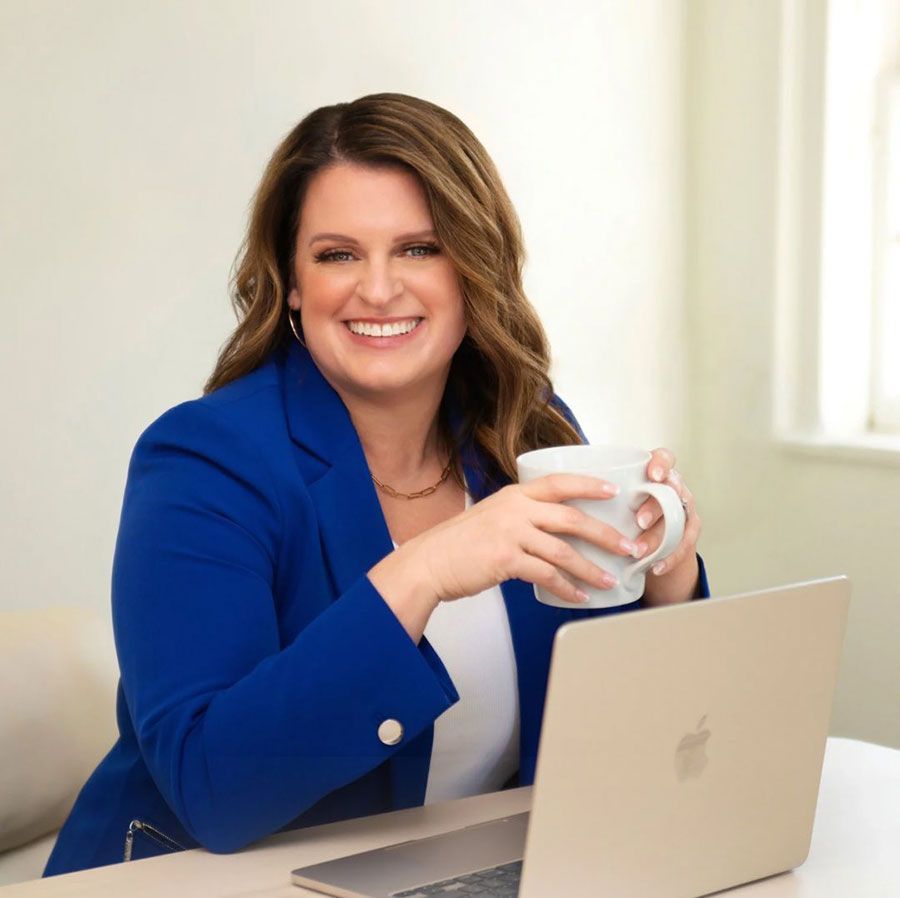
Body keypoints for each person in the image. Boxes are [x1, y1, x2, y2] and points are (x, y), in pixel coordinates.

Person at [44, 92, 708, 877]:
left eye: (420, 248)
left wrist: (665, 571)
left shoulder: (528, 435)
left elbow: (629, 733)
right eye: (337, 255)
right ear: (291, 281)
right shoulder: (204, 460)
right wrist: (423, 569)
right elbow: (212, 784)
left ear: (472, 268)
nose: (380, 289)